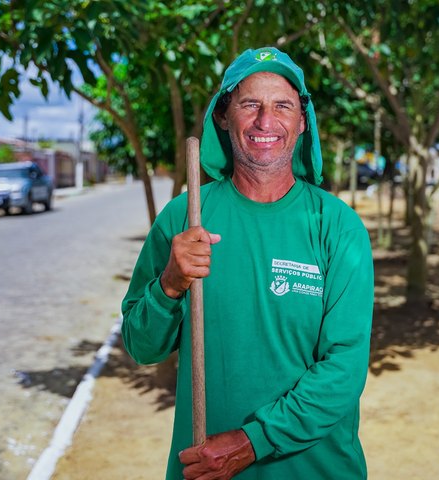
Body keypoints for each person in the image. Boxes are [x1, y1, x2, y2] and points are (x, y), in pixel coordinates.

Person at [122, 46, 374, 480]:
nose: (265, 121)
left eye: (282, 106)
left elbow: (344, 369)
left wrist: (251, 442)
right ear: (223, 116)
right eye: (250, 104)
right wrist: (169, 284)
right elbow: (141, 346)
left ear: (301, 122)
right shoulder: (184, 219)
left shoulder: (336, 226)